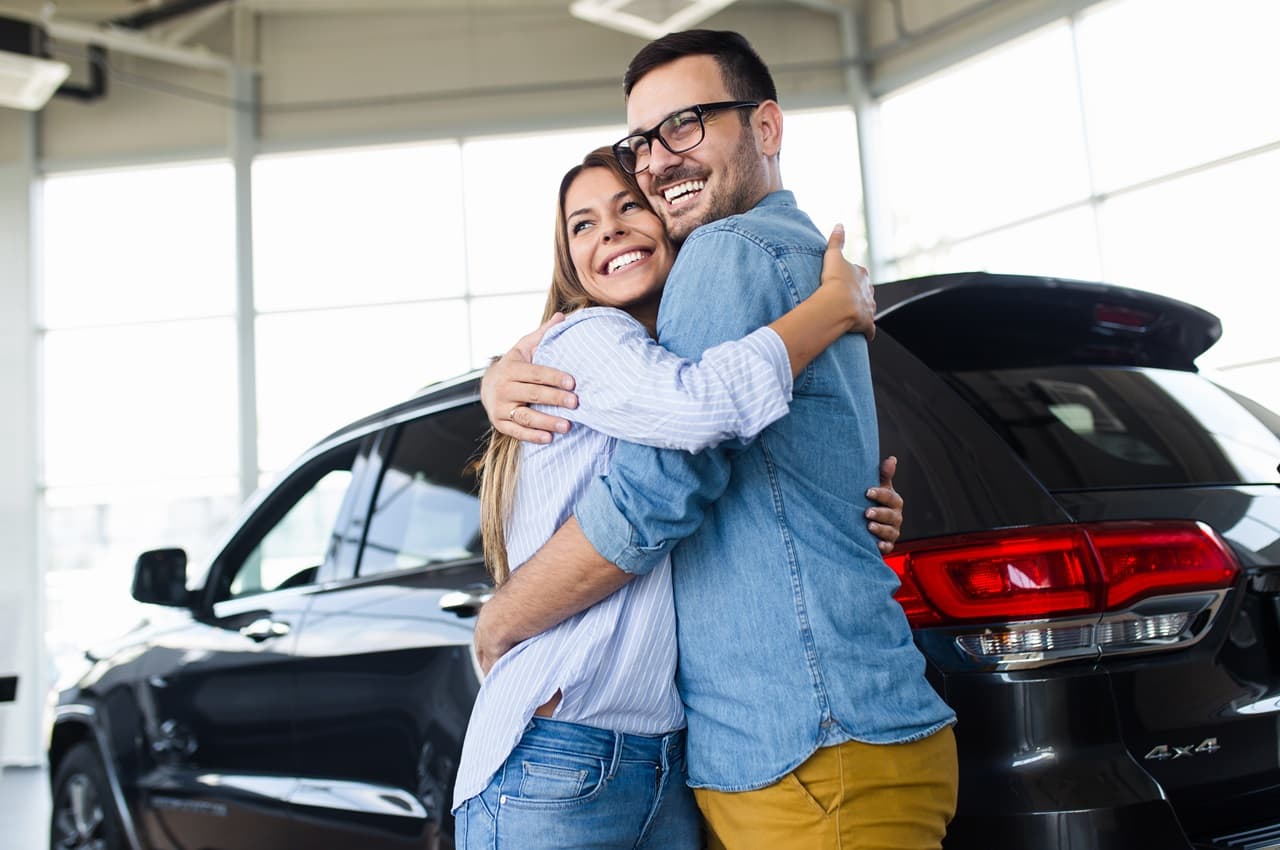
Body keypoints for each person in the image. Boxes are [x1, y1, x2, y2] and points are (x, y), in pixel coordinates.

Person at [475, 29, 957, 850]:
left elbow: (660, 484)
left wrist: (502, 617)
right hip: (823, 732)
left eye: (688, 123)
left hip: (807, 742)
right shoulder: (797, 261)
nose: (660, 161)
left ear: (766, 128)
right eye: (643, 142)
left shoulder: (726, 255)